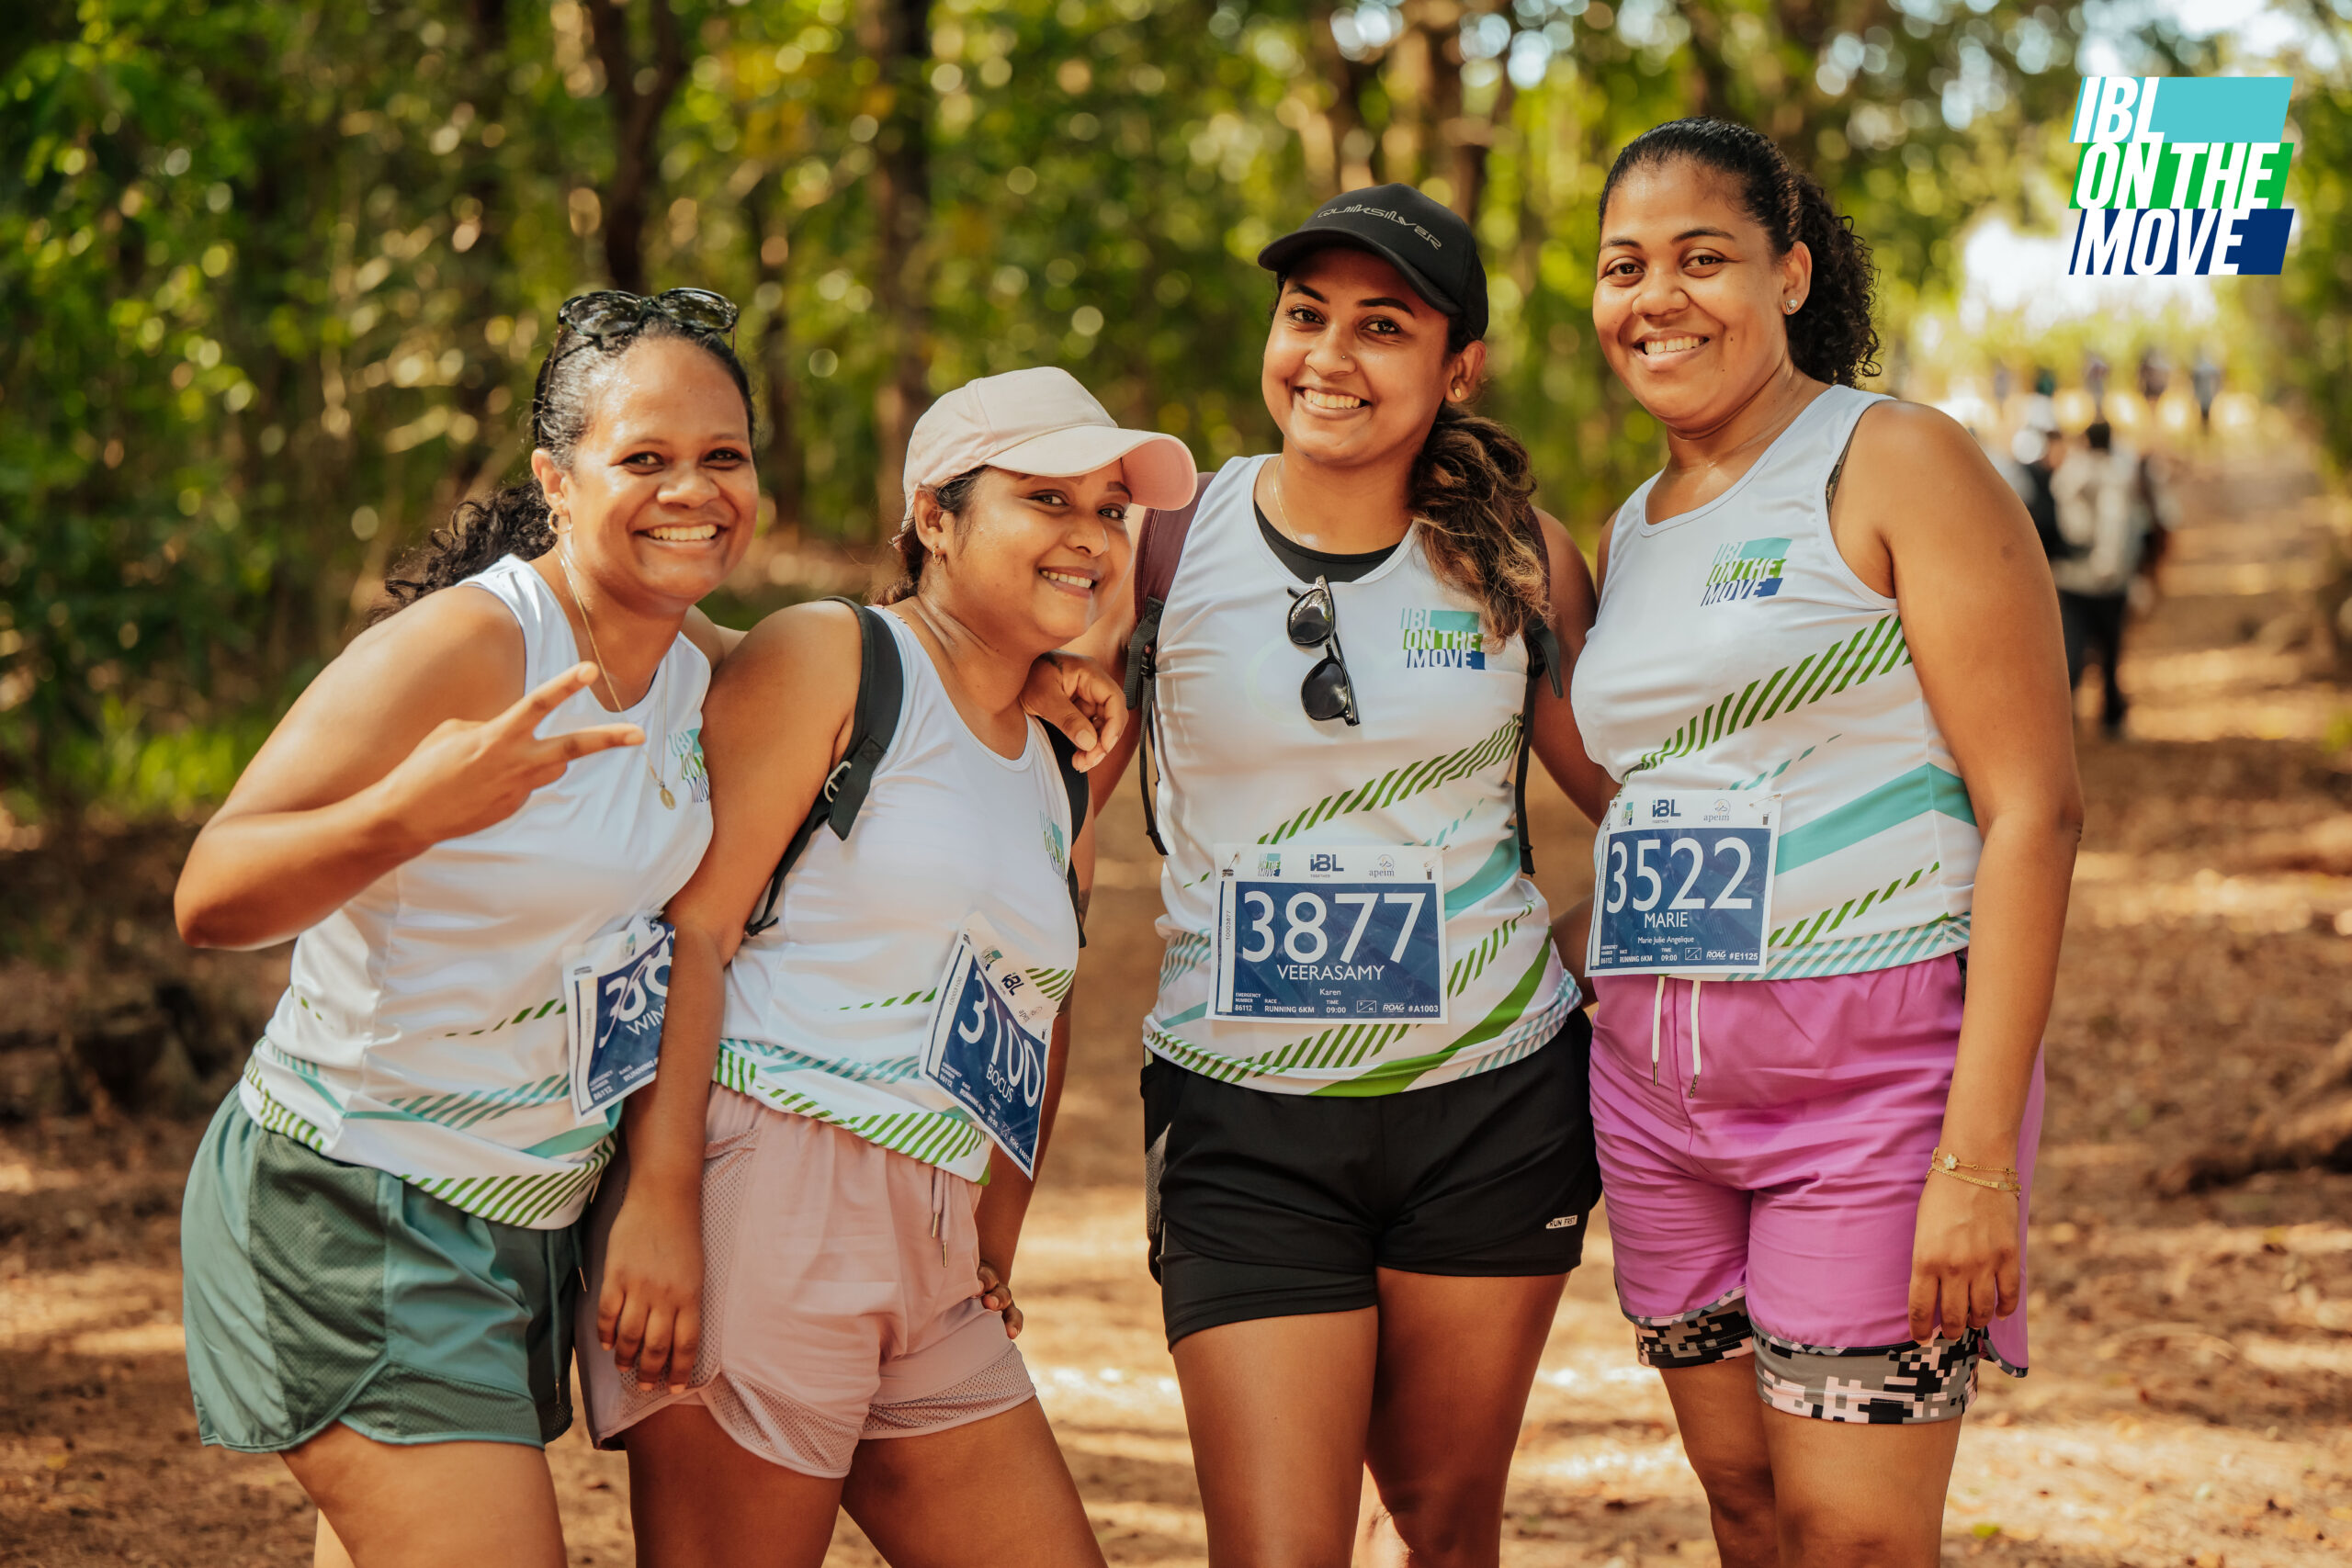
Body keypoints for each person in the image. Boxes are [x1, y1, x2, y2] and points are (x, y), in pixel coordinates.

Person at [1072, 185, 1615, 1567]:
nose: (1329, 355)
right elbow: (1036, 819)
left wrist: (1582, 949)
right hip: (1241, 1117)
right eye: (1305, 315)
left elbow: (1643, 795)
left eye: (1383, 326)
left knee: (1442, 1529)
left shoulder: (1519, 559)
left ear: (1458, 368)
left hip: (1492, 1106)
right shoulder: (1162, 545)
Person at [174, 288, 758, 1568]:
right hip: (358, 1193)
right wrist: (405, 813)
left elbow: (873, 672)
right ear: (557, 481)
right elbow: (210, 892)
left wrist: (1052, 665)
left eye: (723, 455)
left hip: (527, 1214)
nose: (692, 490)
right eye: (644, 459)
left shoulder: (698, 663)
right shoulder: (473, 645)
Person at [582, 367, 1194, 1568]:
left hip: (933, 1240)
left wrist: (992, 1233)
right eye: (1046, 499)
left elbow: (1037, 1003)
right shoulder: (836, 655)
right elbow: (691, 932)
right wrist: (658, 1200)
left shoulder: (1053, 753)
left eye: (1109, 510)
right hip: (764, 1194)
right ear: (935, 517)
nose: (1089, 535)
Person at [1574, 118, 2079, 1568]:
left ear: (1789, 275)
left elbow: (2035, 808)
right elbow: (1656, 790)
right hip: (1654, 1095)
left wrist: (1977, 1157)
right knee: (1747, 1508)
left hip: (1868, 1084)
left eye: (1702, 257)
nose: (1657, 296)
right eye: (1624, 265)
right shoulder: (1636, 526)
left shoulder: (1895, 458)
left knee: (1852, 1534)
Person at [2052, 419, 2172, 739]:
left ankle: (2064, 714)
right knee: (2109, 649)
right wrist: (2112, 566)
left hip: (2073, 577)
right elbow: (2115, 524)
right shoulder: (2115, 476)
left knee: (2073, 646)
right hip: (2108, 582)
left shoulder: (2069, 474)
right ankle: (2110, 716)